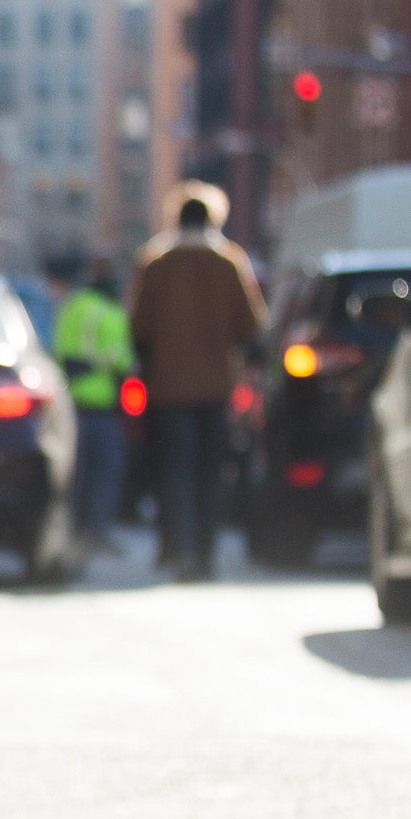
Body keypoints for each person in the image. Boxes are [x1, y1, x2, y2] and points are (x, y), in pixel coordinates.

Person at [128, 182, 267, 583]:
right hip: (216, 388)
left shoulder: (155, 262)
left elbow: (138, 326)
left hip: (168, 388)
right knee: (209, 471)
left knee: (174, 469)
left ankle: (175, 547)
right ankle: (204, 555)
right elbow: (252, 324)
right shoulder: (229, 263)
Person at [48, 252, 136, 554]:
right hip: (101, 406)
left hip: (69, 407)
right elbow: (121, 361)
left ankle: (73, 530)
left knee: (74, 476)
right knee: (105, 471)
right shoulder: (110, 313)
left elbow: (58, 350)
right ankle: (97, 532)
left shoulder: (71, 307)